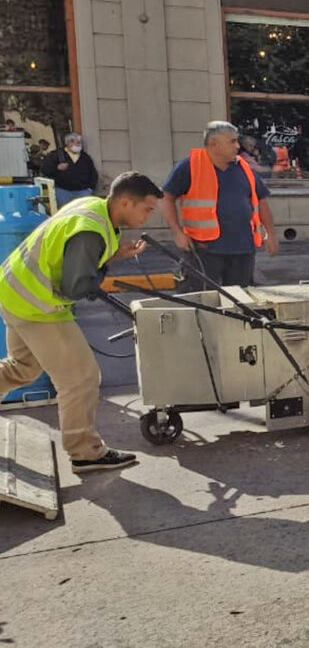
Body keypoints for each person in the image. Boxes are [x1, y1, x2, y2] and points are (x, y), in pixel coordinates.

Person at [0, 172, 162, 473]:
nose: (149, 215)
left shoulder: (93, 208)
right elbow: (78, 286)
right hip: (38, 305)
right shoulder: (90, 231)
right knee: (81, 378)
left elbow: (79, 258)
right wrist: (99, 274)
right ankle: (85, 452)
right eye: (147, 209)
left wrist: (113, 257)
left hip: (13, 291)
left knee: (23, 368)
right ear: (126, 202)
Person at [160, 121, 279, 291]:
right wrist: (177, 233)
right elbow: (166, 198)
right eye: (232, 141)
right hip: (204, 251)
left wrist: (270, 234)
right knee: (203, 302)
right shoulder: (189, 167)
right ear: (213, 144)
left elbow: (262, 201)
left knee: (241, 303)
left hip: (242, 250)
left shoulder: (244, 168)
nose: (238, 146)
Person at [40, 133, 99, 209]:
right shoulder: (56, 155)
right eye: (76, 142)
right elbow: (45, 170)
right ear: (68, 143)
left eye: (80, 142)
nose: (79, 145)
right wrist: (57, 168)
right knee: (65, 213)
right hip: (63, 191)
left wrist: (90, 188)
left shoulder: (85, 157)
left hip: (83, 191)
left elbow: (93, 173)